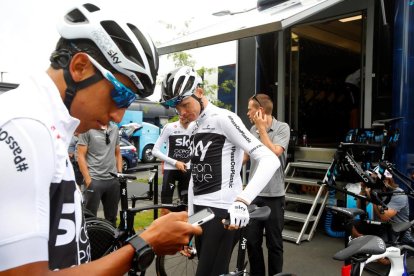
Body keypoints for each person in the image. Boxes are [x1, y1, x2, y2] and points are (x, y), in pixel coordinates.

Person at [0, 3, 201, 275]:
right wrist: (144, 244)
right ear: (80, 67)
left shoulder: (48, 126)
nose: (119, 116)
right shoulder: (24, 128)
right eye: (121, 95)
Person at [160, 66, 280, 276]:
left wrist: (242, 200)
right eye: (177, 109)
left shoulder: (223, 118)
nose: (183, 113)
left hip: (222, 211)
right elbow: (194, 177)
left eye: (185, 105)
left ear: (199, 91)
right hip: (200, 210)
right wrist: (189, 219)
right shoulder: (195, 125)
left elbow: (270, 159)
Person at [244, 93, 290, 276]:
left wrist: (261, 129)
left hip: (274, 196)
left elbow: (274, 154)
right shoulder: (251, 129)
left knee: (274, 244)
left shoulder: (282, 128)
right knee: (252, 242)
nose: (247, 113)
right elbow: (245, 157)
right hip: (254, 195)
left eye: (250, 109)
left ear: (260, 110)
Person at [77, 122, 122, 226]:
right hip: (94, 179)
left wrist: (119, 174)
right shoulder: (87, 128)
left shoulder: (114, 128)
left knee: (112, 219)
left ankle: (110, 241)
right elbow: (80, 155)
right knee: (89, 218)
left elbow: (118, 153)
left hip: (113, 180)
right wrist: (88, 180)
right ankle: (90, 241)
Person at [152, 115, 194, 209]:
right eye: (180, 114)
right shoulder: (169, 127)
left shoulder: (195, 127)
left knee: (186, 206)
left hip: (187, 169)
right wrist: (175, 162)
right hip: (170, 169)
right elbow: (155, 151)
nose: (182, 116)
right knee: (166, 205)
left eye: (185, 115)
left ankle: (181, 223)